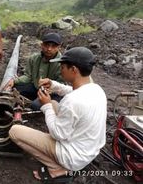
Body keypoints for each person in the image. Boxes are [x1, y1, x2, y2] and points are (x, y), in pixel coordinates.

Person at [9, 47, 107, 182]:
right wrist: (53, 85)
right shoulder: (96, 89)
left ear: (74, 70)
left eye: (62, 67)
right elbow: (71, 91)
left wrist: (46, 105)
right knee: (56, 104)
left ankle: (56, 167)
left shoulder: (73, 101)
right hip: (89, 150)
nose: (60, 69)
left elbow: (57, 134)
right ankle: (62, 162)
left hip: (73, 156)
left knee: (15, 131)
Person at [5, 33, 63, 110]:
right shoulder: (34, 58)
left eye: (53, 46)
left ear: (59, 47)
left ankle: (42, 102)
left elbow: (62, 84)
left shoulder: (62, 63)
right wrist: (14, 80)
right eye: (46, 45)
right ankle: (35, 98)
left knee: (35, 105)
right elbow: (28, 76)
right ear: (41, 45)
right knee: (15, 88)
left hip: (53, 92)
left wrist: (51, 89)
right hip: (36, 87)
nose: (49, 49)